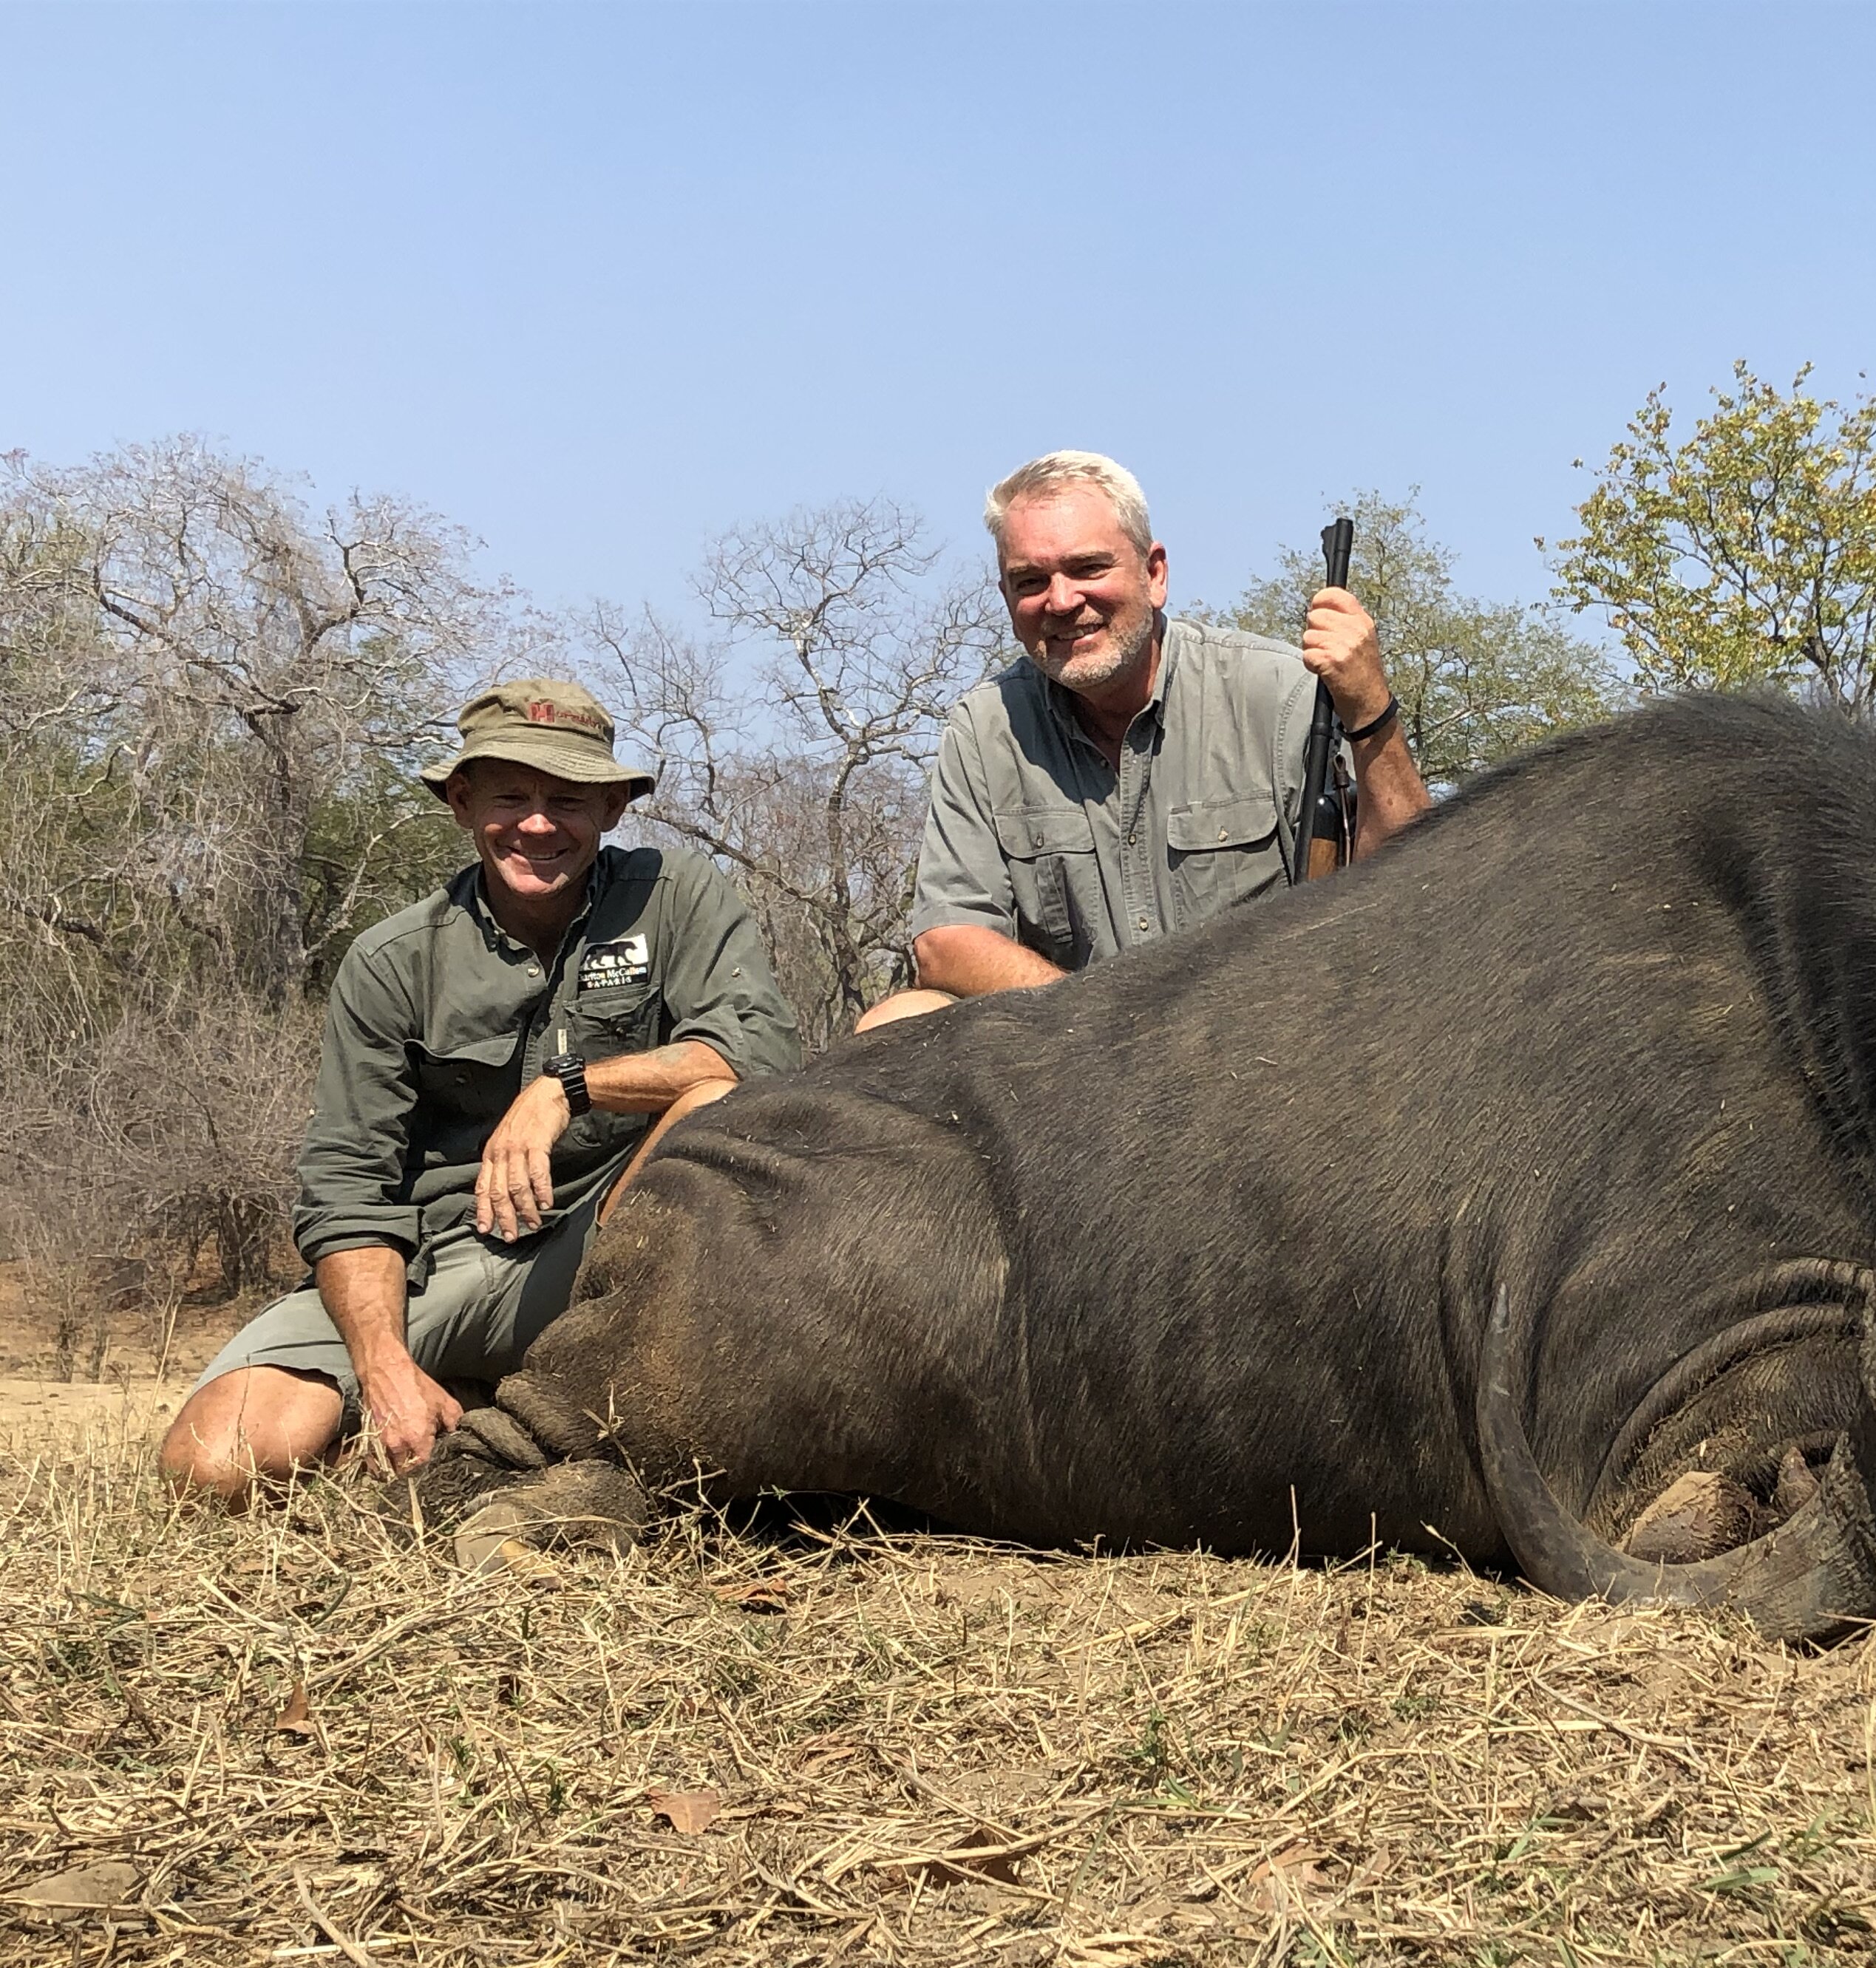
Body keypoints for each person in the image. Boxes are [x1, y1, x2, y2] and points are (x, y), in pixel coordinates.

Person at [158, 681, 802, 1503]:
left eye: (567, 798)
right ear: (462, 802)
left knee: (713, 1107)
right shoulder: (393, 961)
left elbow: (761, 1059)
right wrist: (383, 1366)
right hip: (440, 1259)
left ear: (611, 809)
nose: (539, 823)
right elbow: (349, 1189)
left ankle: (596, 1400)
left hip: (612, 1254)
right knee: (217, 1465)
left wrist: (565, 1089)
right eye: (511, 796)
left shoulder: (677, 897)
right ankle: (463, 1401)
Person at [854, 450, 1424, 1029]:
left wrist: (1370, 709)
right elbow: (947, 941)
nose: (1060, 600)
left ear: (1154, 575)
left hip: (1263, 1041)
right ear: (1006, 597)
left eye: (1087, 569)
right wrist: (1114, 1025)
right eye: (1030, 581)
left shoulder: (1279, 693)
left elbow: (1409, 890)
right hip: (1081, 1053)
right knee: (895, 1021)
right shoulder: (983, 730)